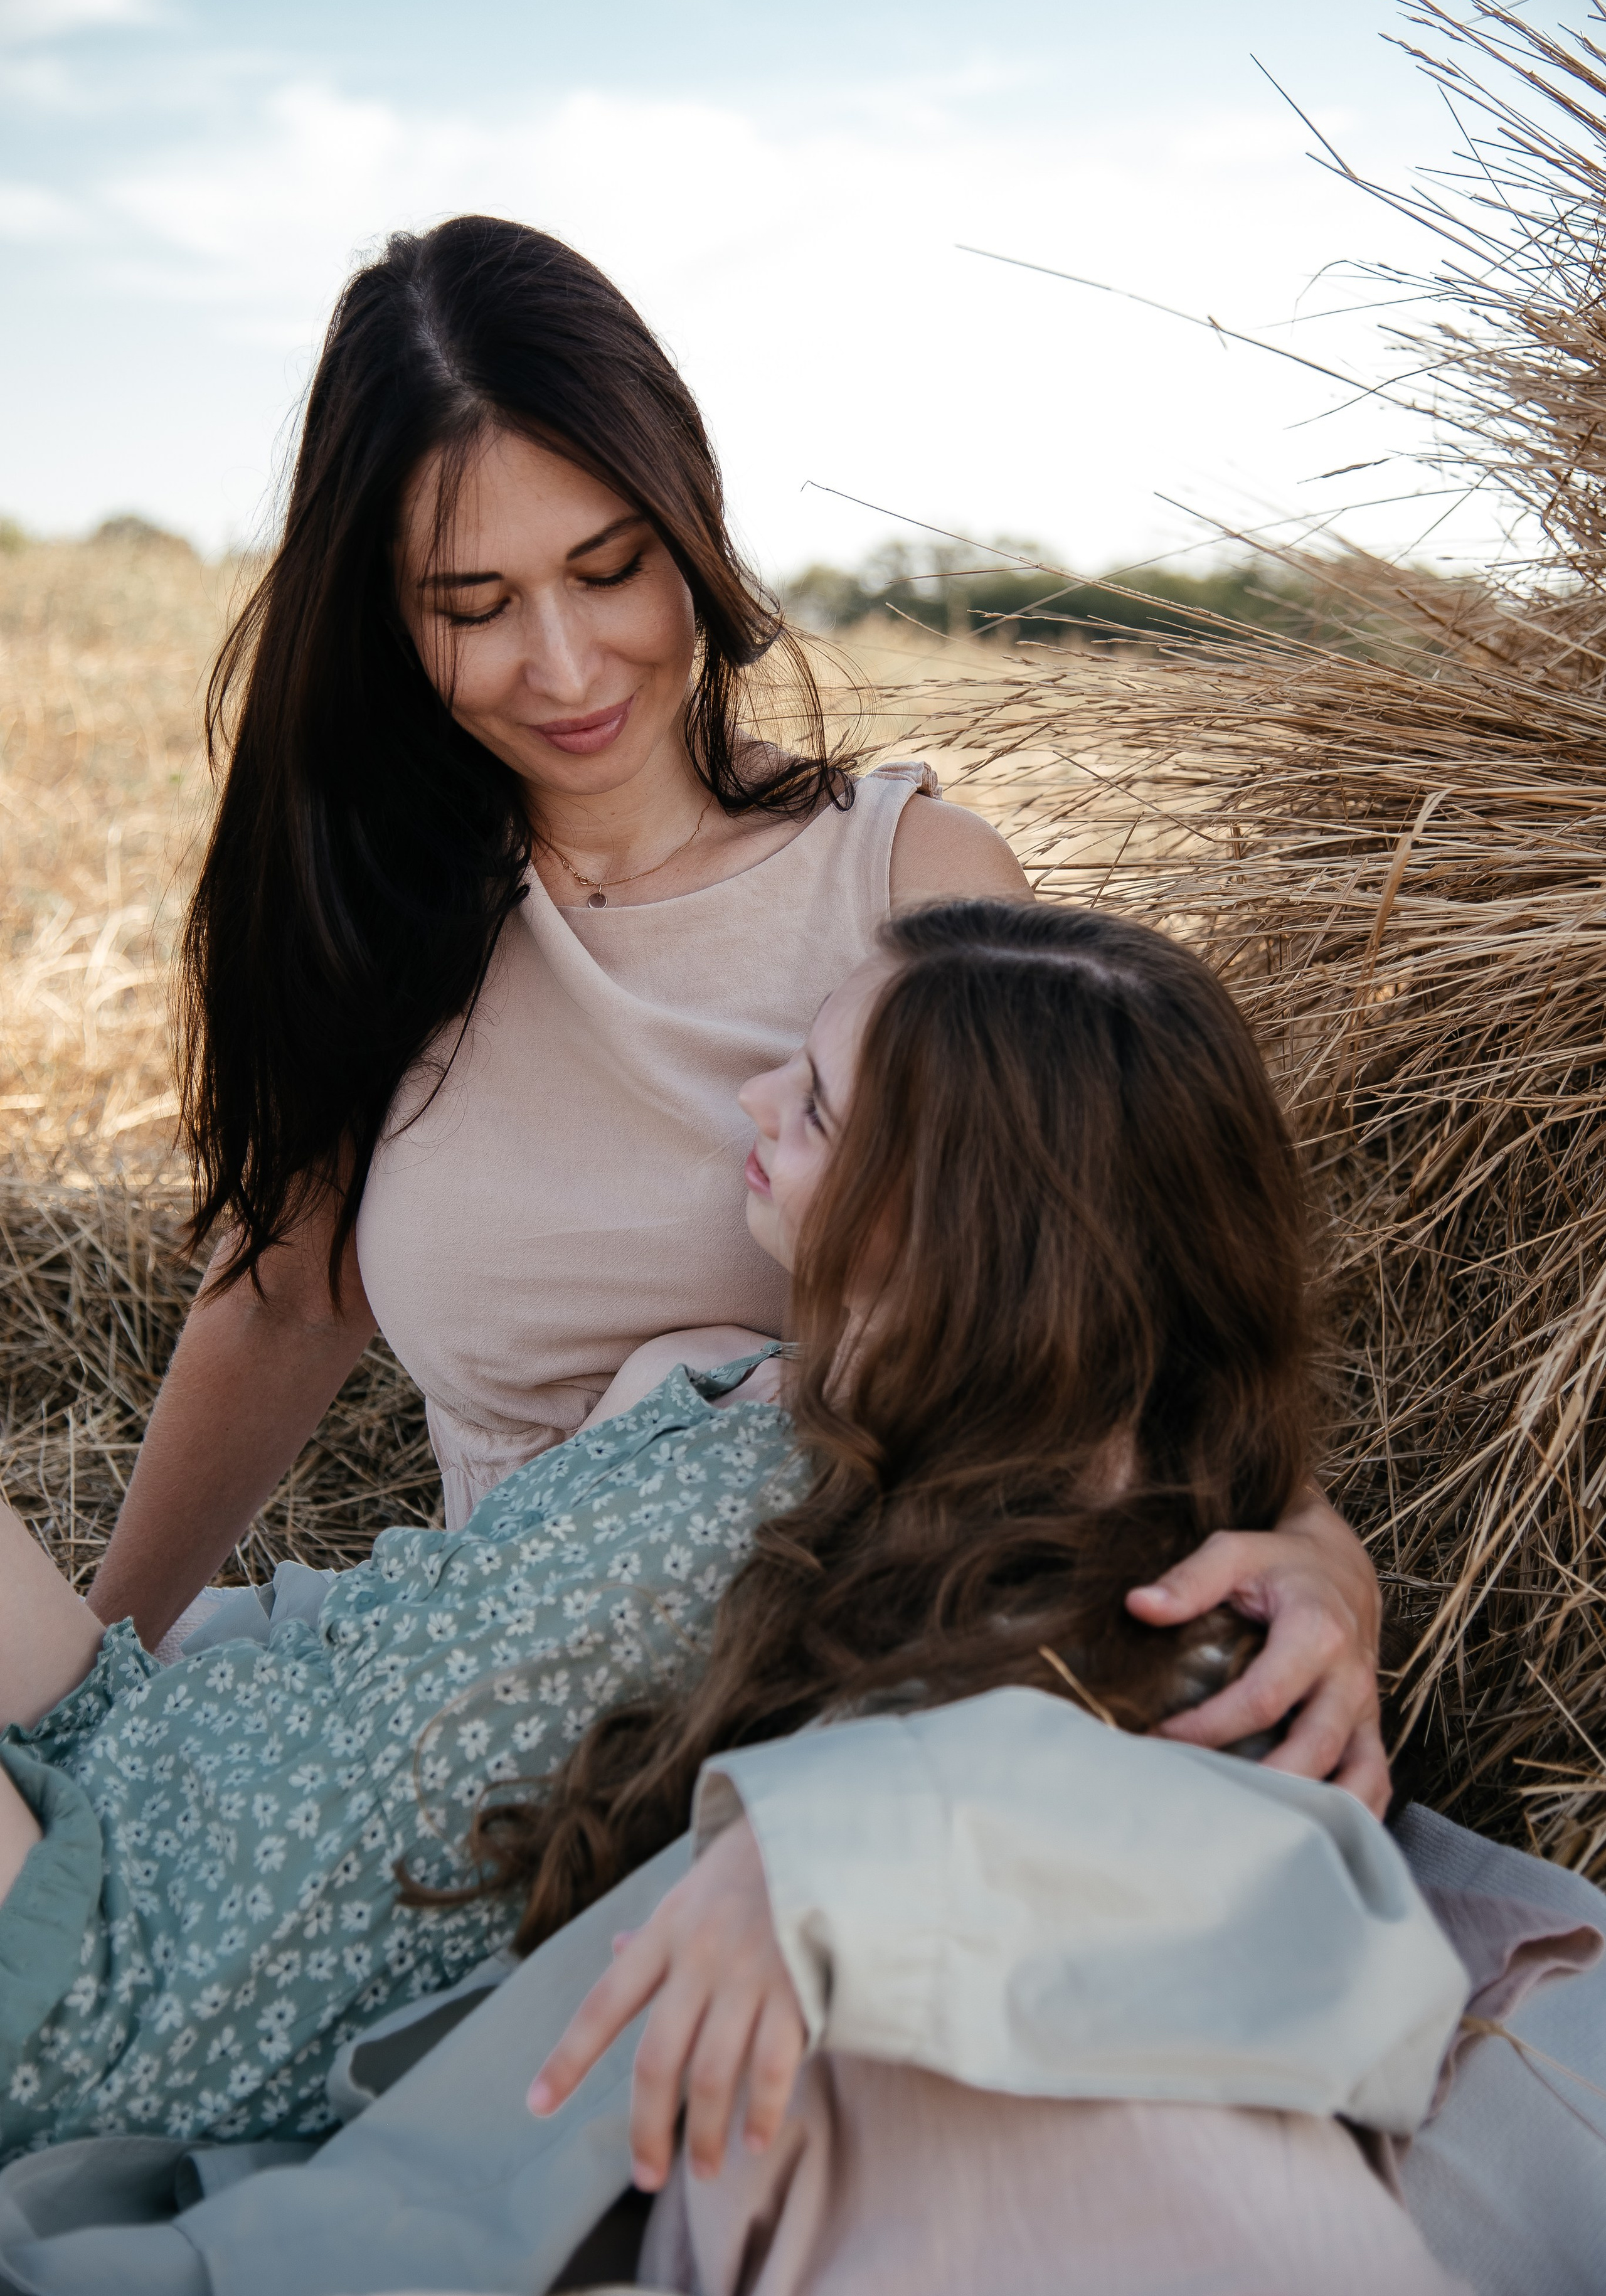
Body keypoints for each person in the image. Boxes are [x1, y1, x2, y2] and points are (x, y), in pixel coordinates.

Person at [83, 215, 1385, 1807]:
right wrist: (89, 1688)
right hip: (485, 1705)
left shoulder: (911, 887)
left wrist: (1323, 1559)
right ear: (378, 610)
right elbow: (285, 1302)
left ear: (689, 522)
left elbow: (1126, 1314)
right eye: (470, 602)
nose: (563, 664)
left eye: (609, 568)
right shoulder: (368, 908)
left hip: (856, 1713)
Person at [0, 905, 1441, 2198]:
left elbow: (1219, 1869)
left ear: (953, 1226)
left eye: (811, 1107)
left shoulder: (1002, 1577)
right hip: (137, 1746)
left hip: (143, 1971)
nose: (751, 1099)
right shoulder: (702, 1372)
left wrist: (798, 1864)